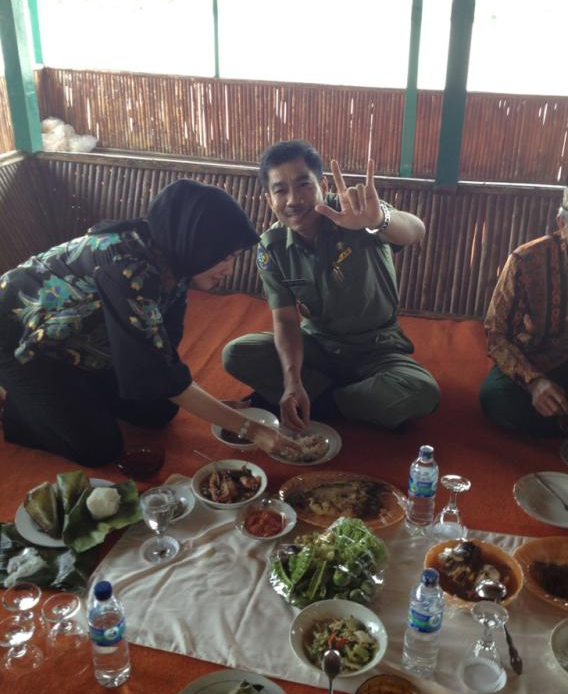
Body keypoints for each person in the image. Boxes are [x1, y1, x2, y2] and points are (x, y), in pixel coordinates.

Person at [0, 179, 301, 466]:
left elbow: (163, 353)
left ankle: (80, 390)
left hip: (82, 339)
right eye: (225, 257)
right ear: (199, 242)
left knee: (159, 410)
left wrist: (215, 409)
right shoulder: (127, 267)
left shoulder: (173, 257)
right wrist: (252, 429)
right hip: (23, 343)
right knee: (99, 447)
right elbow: (159, 369)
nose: (229, 269)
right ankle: (18, 408)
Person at [222, 140, 440, 431]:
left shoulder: (355, 213)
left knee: (422, 391)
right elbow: (286, 322)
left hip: (376, 348)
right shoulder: (271, 247)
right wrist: (292, 382)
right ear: (268, 199)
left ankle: (322, 404)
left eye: (303, 185)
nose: (293, 200)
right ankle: (354, 401)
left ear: (323, 184)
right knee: (236, 353)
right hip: (318, 347)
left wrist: (379, 219)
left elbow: (416, 230)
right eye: (280, 190)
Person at [480, 169, 568, 436]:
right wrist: (535, 383)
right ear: (562, 225)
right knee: (497, 400)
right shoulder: (527, 262)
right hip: (537, 364)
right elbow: (497, 334)